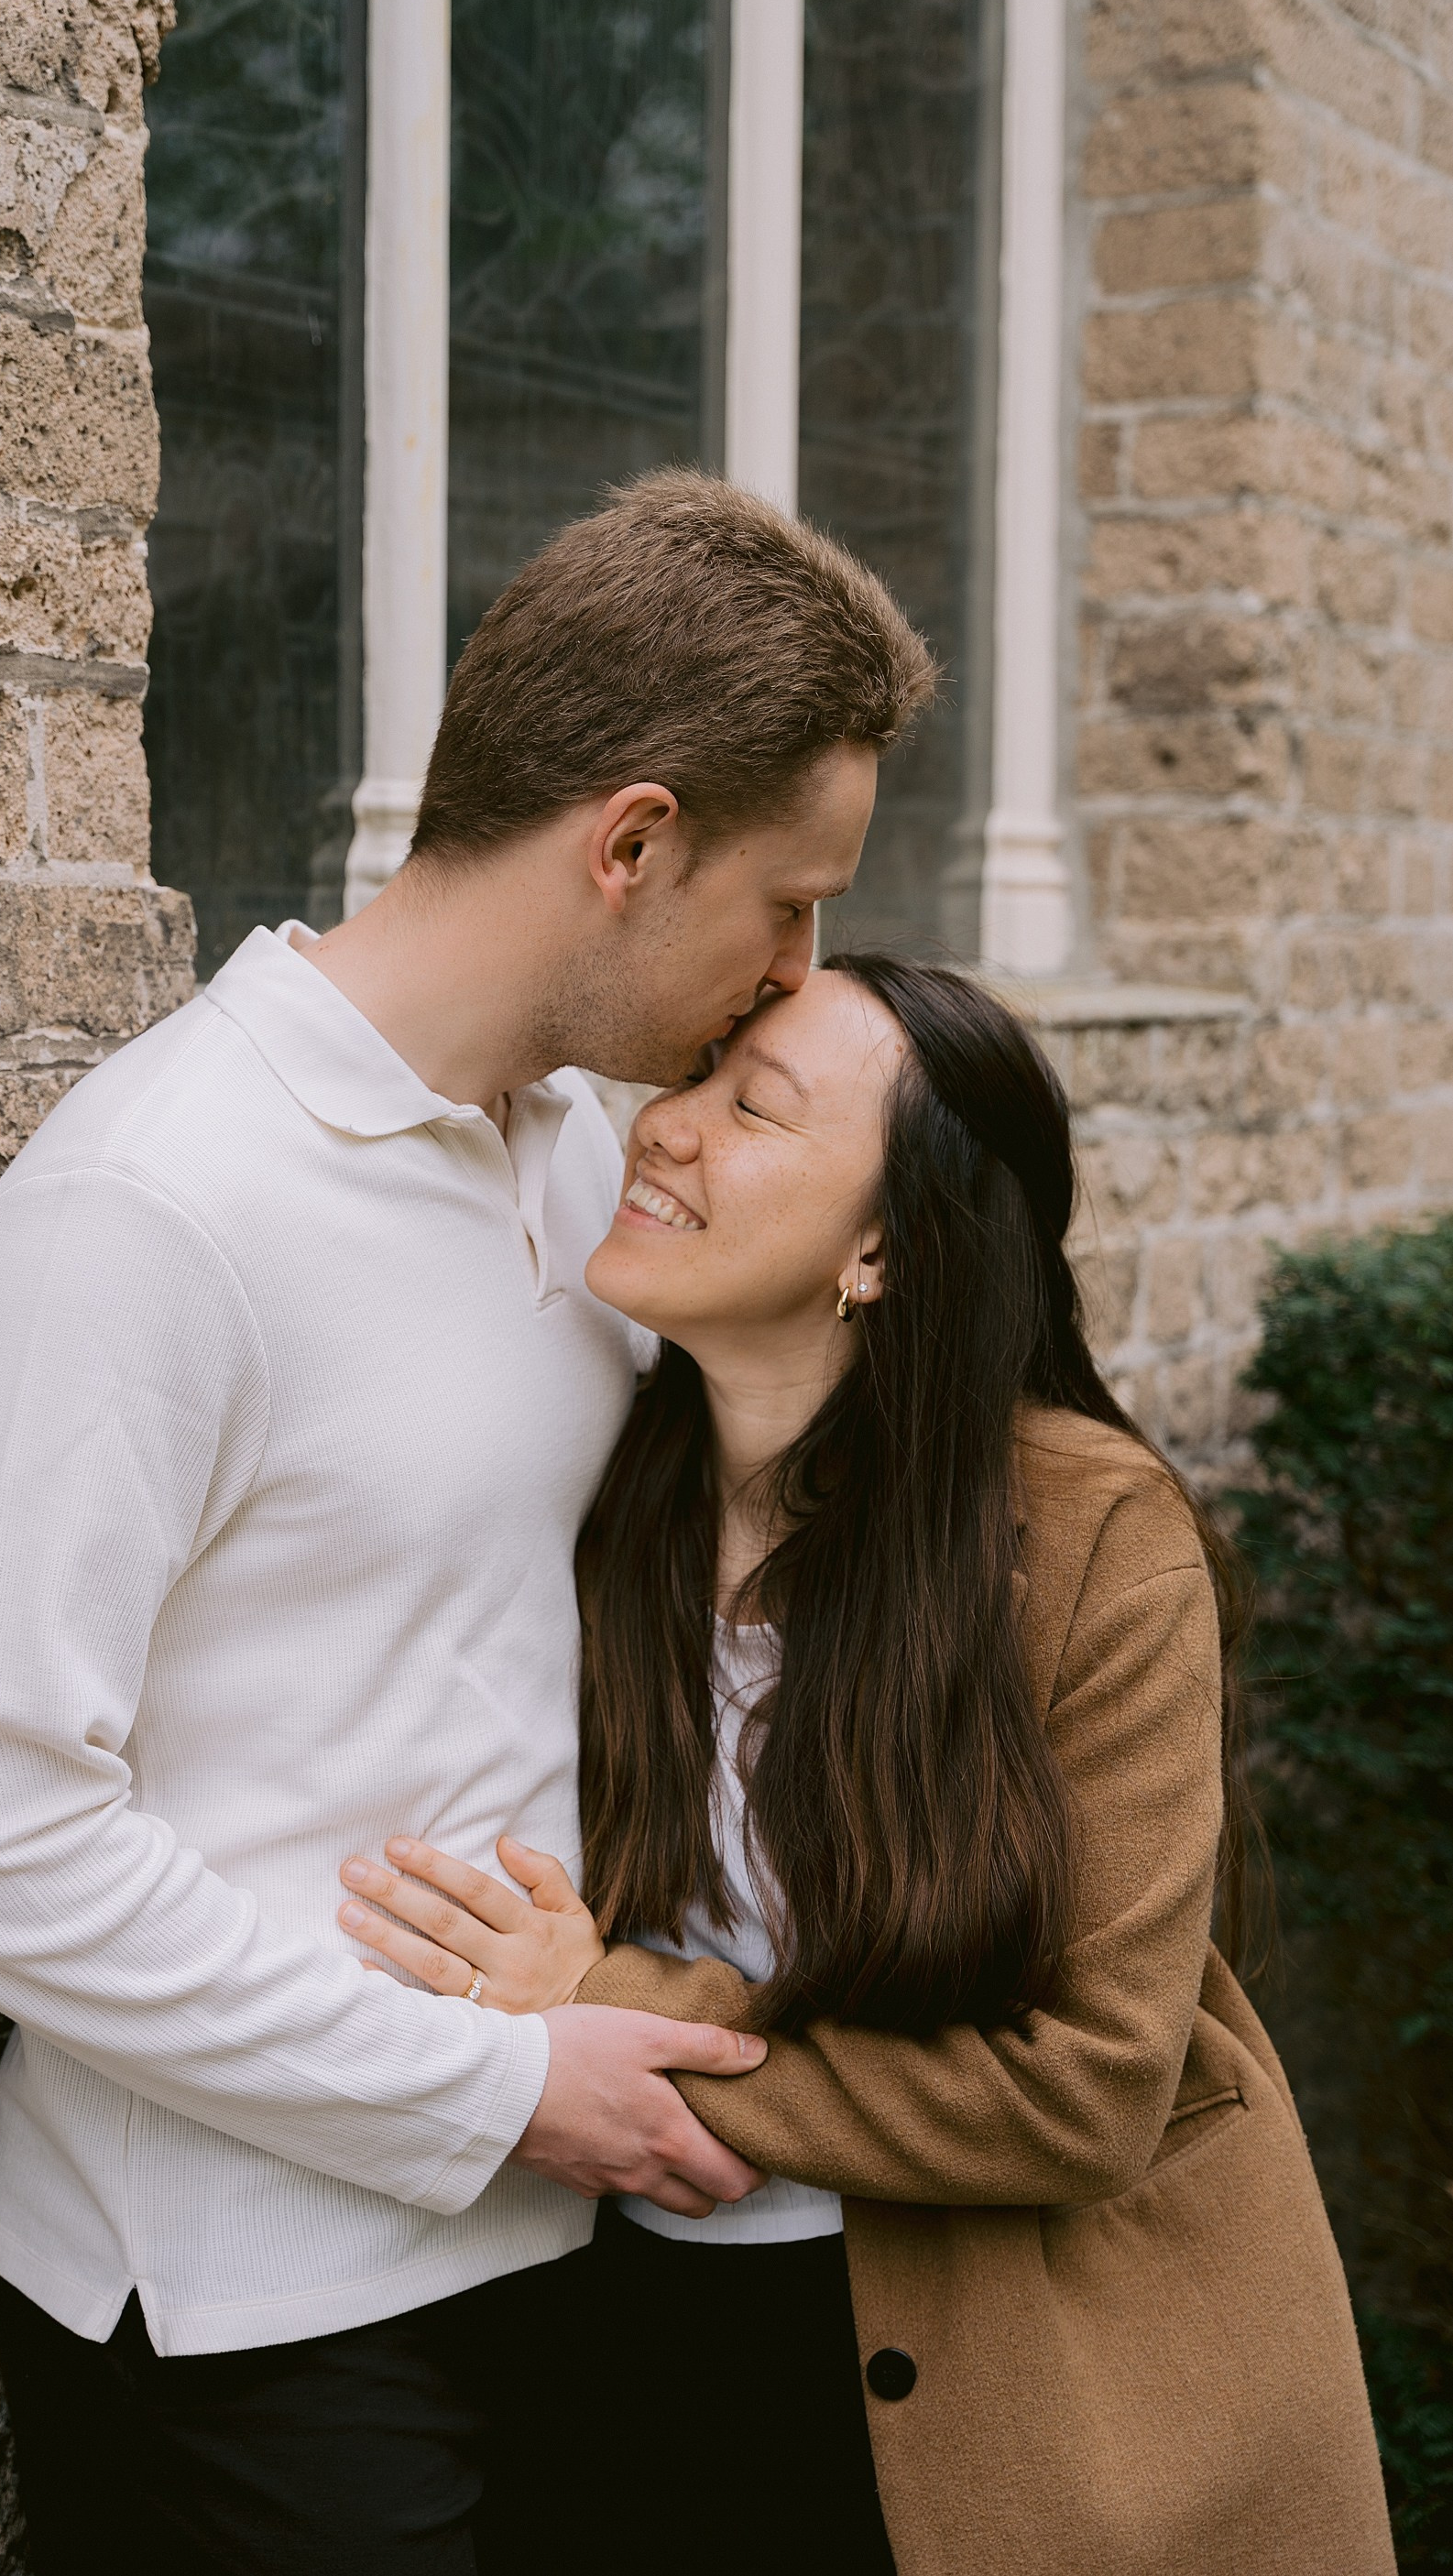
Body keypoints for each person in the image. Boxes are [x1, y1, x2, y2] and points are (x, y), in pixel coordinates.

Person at [0, 474, 936, 2573]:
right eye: (786, 903)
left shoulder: (580, 1160)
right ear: (629, 844)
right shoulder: (154, 1202)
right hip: (259, 2319)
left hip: (564, 2239)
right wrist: (488, 2086)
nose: (797, 971)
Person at [336, 955, 1396, 2576]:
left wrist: (625, 1996)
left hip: (1022, 2387)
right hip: (632, 2319)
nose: (667, 1128)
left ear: (882, 1249)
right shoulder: (600, 1486)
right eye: (691, 1076)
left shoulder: (1093, 1536)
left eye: (753, 1107)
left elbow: (1087, 2091)